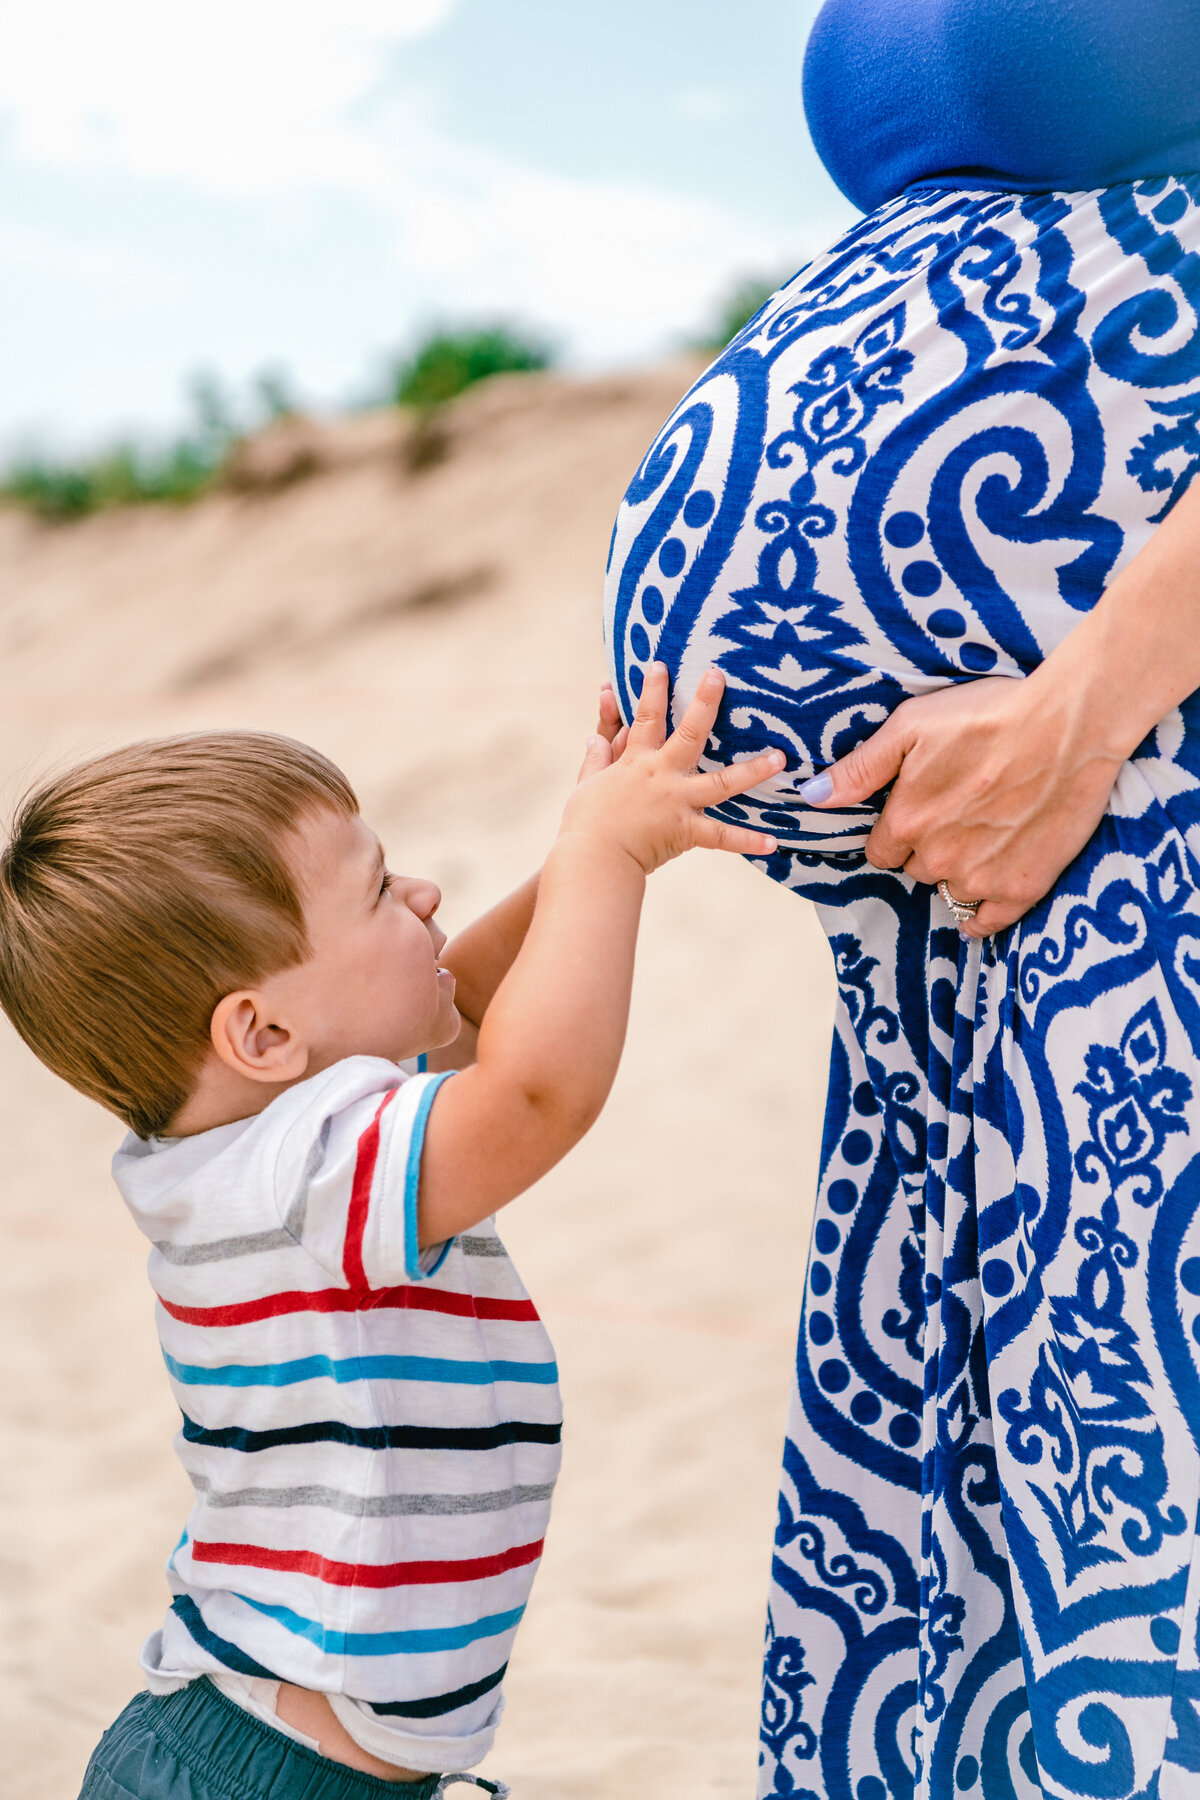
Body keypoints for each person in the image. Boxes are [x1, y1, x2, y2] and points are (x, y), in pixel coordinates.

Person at [603, 2, 1200, 1794]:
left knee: (1135, 1413)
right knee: (985, 1463)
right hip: (928, 914)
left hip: (1131, 754)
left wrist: (1095, 694)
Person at [0, 679, 782, 1800]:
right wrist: (605, 861)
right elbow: (532, 1092)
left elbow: (462, 1011)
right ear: (263, 1031)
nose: (423, 894)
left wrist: (587, 845)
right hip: (271, 1779)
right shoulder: (305, 1172)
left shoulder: (266, 1140)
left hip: (280, 1754)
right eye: (378, 893)